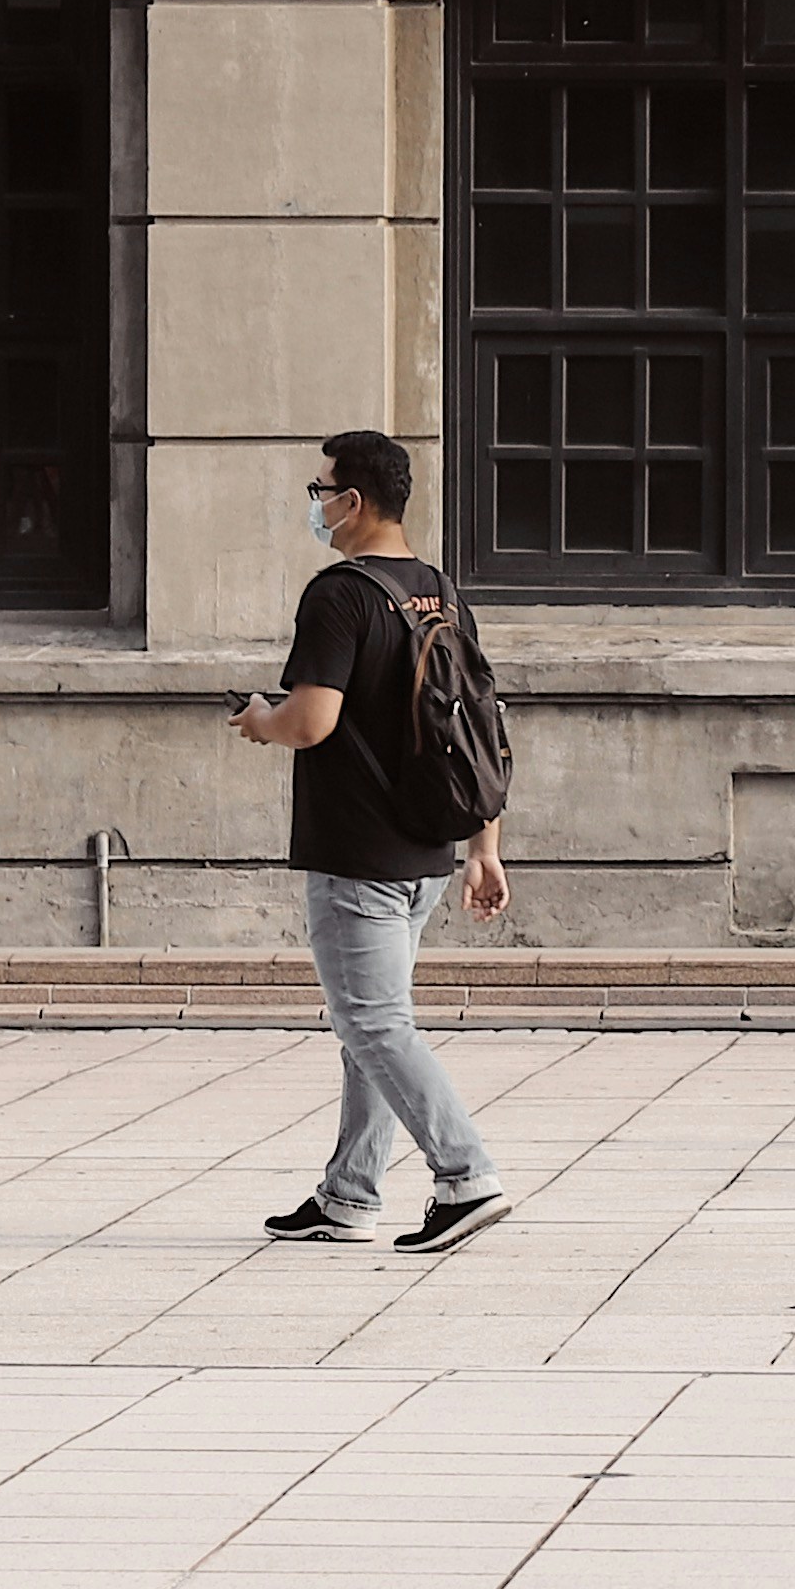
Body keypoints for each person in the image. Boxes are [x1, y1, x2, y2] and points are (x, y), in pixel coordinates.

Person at [230, 429, 514, 1253]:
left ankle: (466, 1177)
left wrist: (259, 720)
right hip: (427, 850)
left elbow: (311, 721)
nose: (315, 506)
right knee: (369, 1026)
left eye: (321, 492)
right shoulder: (440, 591)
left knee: (373, 1024)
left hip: (358, 851)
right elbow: (478, 721)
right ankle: (349, 1194)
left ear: (353, 502)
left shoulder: (339, 594)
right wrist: (483, 847)